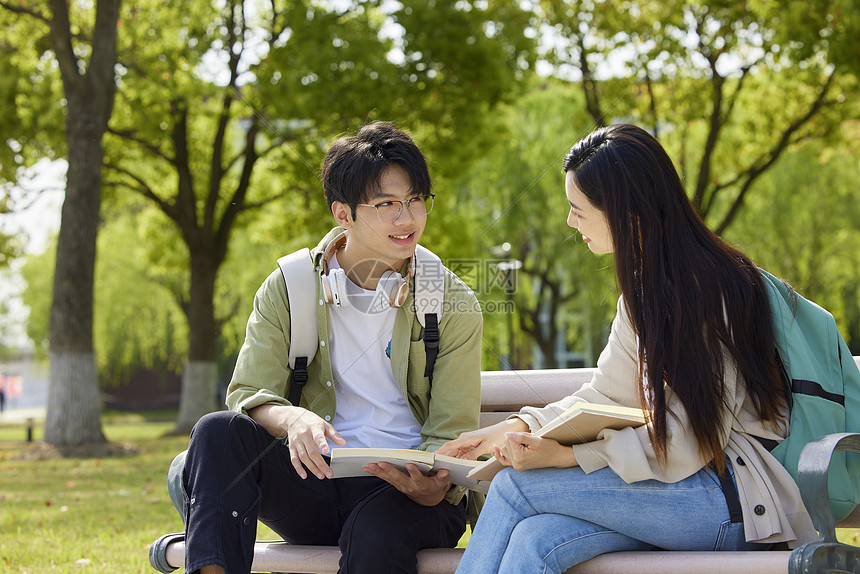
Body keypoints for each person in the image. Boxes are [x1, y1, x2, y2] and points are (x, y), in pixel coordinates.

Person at [439, 123, 817, 573]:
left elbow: (691, 440)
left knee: (512, 490)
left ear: (625, 211)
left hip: (731, 503)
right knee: (534, 540)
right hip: (676, 495)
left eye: (579, 209)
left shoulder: (706, 290)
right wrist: (508, 429)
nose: (569, 221)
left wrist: (565, 457)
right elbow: (606, 395)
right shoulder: (645, 293)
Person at [167, 121, 483, 574]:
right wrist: (293, 418)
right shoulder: (291, 286)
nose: (407, 218)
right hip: (316, 482)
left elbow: (451, 432)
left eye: (416, 201)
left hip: (413, 497)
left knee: (375, 530)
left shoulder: (449, 300)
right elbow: (248, 394)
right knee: (219, 431)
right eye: (387, 204)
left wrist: (436, 485)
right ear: (342, 213)